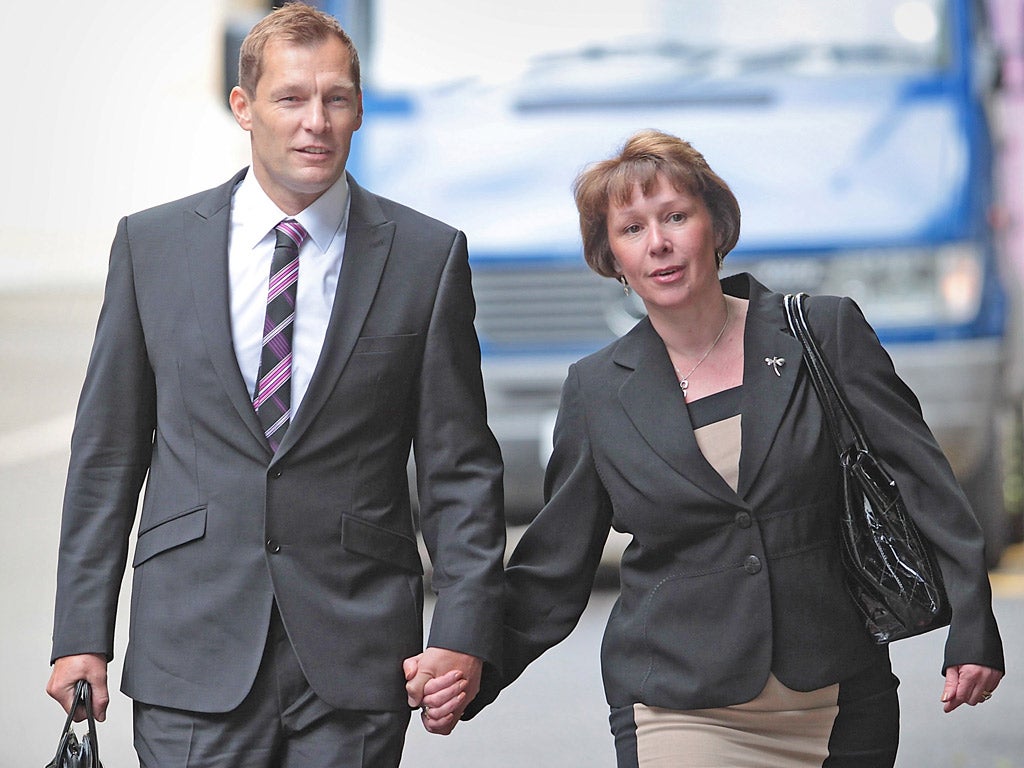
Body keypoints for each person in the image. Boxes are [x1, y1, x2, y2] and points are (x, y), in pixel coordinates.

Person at [408, 129, 1005, 766]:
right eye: (631, 228)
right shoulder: (597, 390)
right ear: (611, 257)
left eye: (674, 216)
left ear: (715, 226)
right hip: (675, 705)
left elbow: (924, 481)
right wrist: (468, 660)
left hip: (838, 698)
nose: (658, 243)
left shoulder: (823, 334)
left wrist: (972, 622)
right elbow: (555, 567)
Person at [46, 3, 504, 765]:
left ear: (358, 109)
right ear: (243, 107)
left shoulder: (427, 258)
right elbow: (106, 455)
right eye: (291, 98)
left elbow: (460, 470)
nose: (314, 122)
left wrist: (462, 631)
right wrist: (79, 636)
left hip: (354, 655)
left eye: (337, 99)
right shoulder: (152, 247)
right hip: (190, 654)